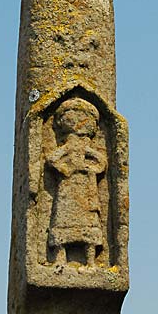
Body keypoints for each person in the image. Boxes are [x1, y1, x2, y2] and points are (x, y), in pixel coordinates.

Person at [47, 98, 107, 266]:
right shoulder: (69, 145)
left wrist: (90, 168)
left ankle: (90, 262)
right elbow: (52, 159)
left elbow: (101, 162)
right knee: (63, 221)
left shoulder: (84, 146)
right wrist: (66, 170)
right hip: (68, 189)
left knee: (89, 224)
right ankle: (60, 260)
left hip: (87, 188)